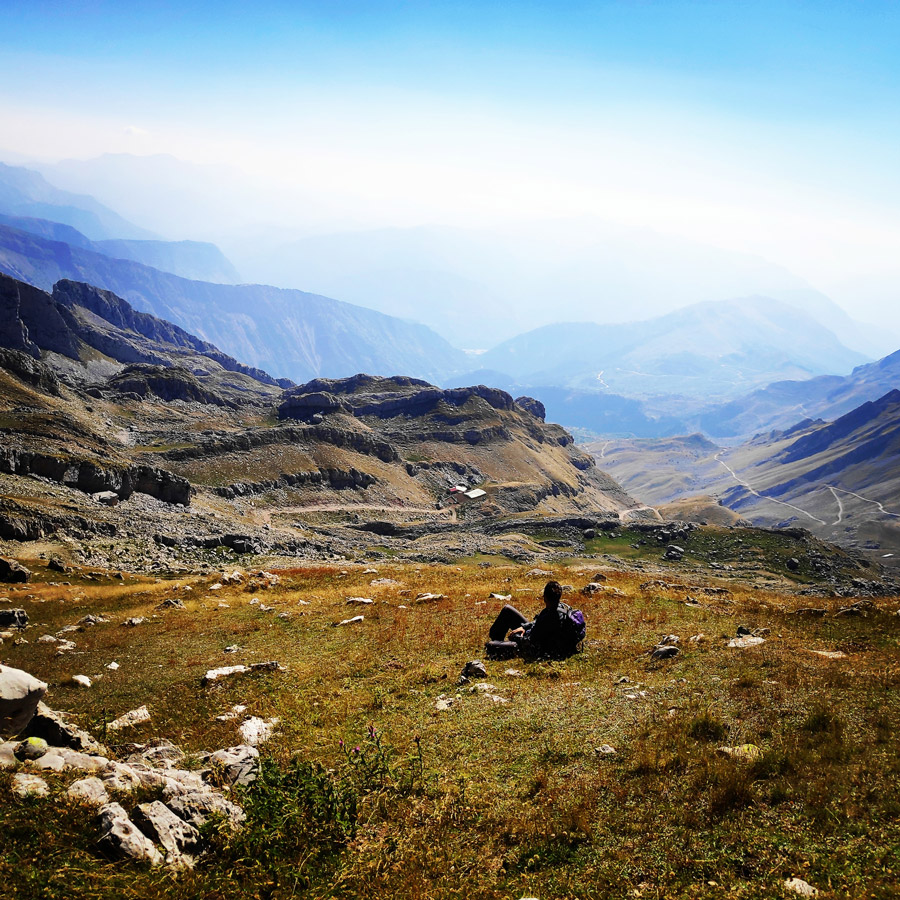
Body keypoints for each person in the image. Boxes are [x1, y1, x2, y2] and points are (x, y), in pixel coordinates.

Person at [485, 580, 584, 660]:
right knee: (507, 610)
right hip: (537, 637)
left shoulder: (550, 618)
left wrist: (516, 636)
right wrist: (524, 627)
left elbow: (530, 641)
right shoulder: (561, 607)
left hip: (535, 649)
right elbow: (536, 623)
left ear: (545, 597)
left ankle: (498, 643)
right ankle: (498, 640)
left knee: (490, 647)